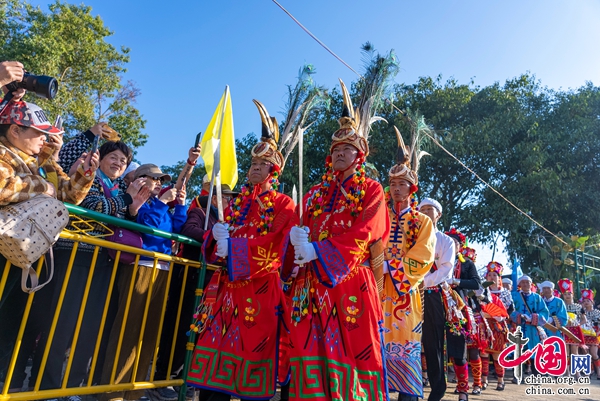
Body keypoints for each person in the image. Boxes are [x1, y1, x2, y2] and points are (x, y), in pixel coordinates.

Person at [186, 100, 298, 401]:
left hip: (260, 292)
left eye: (261, 164)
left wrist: (234, 247)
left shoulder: (284, 204)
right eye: (252, 164)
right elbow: (217, 244)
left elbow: (276, 244)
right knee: (214, 360)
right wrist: (214, 237)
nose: (254, 168)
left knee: (253, 358)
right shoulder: (236, 203)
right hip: (226, 291)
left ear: (273, 170)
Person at [285, 80, 390, 400]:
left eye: (347, 149)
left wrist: (318, 250)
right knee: (308, 351)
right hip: (310, 285)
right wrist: (295, 238)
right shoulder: (316, 193)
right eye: (335, 150)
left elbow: (368, 230)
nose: (340, 153)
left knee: (354, 352)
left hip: (350, 281)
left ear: (360, 155)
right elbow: (300, 229)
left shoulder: (372, 189)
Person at [30, 135, 146, 393]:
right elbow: (92, 206)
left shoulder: (119, 189)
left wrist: (132, 209)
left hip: (103, 260)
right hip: (76, 255)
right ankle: (46, 387)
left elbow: (119, 222)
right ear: (100, 159)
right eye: (113, 157)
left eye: (123, 160)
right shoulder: (89, 177)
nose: (118, 163)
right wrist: (127, 200)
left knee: (89, 327)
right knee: (62, 322)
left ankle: (73, 387)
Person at [0, 100, 98, 391]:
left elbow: (69, 195)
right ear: (15, 130)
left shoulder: (43, 161)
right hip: (5, 248)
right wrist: (44, 187)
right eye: (39, 132)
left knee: (11, 321)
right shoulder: (3, 153)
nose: (45, 138)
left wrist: (85, 173)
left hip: (23, 253)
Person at [99, 163, 187, 401]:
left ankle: (134, 393)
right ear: (139, 179)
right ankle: (113, 392)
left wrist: (180, 205)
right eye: (153, 178)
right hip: (140, 267)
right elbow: (149, 229)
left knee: (149, 334)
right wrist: (162, 203)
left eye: (160, 180)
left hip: (163, 269)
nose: (158, 183)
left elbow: (178, 229)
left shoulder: (159, 204)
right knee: (128, 331)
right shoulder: (136, 202)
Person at [149, 184, 238, 401]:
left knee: (199, 333)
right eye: (226, 197)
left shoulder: (227, 221)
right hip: (190, 281)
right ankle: (163, 378)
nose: (230, 202)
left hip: (211, 286)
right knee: (180, 329)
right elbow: (188, 231)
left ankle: (185, 378)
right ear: (215, 199)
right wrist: (212, 235)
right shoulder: (201, 213)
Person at [381, 127, 435, 401]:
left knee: (406, 344)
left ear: (412, 188)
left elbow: (424, 255)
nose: (396, 189)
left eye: (401, 184)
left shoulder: (422, 221)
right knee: (376, 347)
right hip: (378, 290)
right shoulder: (380, 215)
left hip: (405, 294)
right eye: (392, 184)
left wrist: (391, 267)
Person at [418, 198, 455, 401]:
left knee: (433, 344)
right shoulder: (411, 237)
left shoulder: (445, 241)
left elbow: (446, 270)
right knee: (409, 341)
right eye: (421, 209)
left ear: (438, 214)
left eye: (429, 209)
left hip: (432, 295)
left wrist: (422, 282)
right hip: (409, 294)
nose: (424, 212)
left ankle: (437, 389)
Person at [444, 229, 481, 401]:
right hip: (437, 306)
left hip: (457, 311)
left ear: (460, 247)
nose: (452, 245)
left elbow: (476, 283)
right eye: (449, 241)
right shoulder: (436, 260)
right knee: (435, 349)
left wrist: (455, 281)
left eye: (456, 243)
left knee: (458, 351)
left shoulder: (466, 264)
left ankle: (463, 390)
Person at [478, 262, 510, 391]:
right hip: (484, 326)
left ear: (499, 277)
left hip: (498, 326)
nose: (492, 277)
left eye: (494, 275)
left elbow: (508, 311)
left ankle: (500, 380)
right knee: (484, 353)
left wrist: (498, 315)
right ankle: (484, 380)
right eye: (489, 275)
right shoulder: (482, 292)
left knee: (497, 355)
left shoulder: (505, 293)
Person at [510, 275, 549, 375]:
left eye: (527, 282)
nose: (525, 284)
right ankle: (517, 376)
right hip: (518, 328)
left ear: (531, 284)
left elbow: (544, 312)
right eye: (523, 282)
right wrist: (518, 316)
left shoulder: (537, 297)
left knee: (535, 351)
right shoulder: (514, 296)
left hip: (533, 329)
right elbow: (509, 310)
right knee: (518, 351)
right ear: (519, 284)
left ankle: (536, 375)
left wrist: (532, 318)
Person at [557, 279, 585, 369]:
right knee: (565, 352)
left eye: (569, 294)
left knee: (575, 351)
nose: (567, 296)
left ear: (573, 294)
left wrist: (577, 324)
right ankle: (566, 371)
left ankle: (577, 372)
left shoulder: (579, 307)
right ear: (563, 295)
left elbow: (584, 320)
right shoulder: (560, 306)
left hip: (574, 330)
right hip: (564, 330)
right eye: (565, 294)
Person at [580, 288, 600, 378]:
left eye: (588, 300)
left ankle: (598, 371)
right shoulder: (581, 312)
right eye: (584, 301)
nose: (586, 302)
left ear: (592, 302)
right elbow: (579, 322)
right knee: (585, 353)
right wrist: (582, 310)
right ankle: (589, 371)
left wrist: (598, 332)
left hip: (595, 334)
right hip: (583, 335)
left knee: (594, 353)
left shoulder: (597, 312)